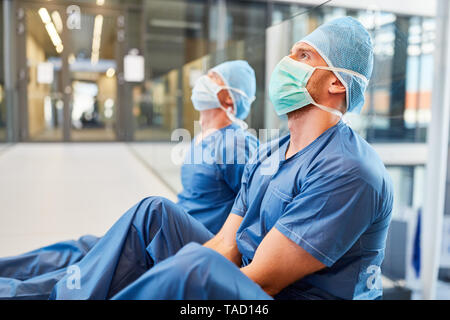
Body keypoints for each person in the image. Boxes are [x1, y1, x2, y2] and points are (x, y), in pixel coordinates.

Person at [46, 17, 393, 300]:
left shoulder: (348, 170)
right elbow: (227, 242)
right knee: (155, 213)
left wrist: (181, 275)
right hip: (253, 278)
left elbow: (263, 280)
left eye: (303, 56)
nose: (286, 64)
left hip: (282, 294)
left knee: (197, 269)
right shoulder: (270, 151)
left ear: (335, 83)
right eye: (290, 54)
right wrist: (164, 270)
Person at [0, 61, 259, 299]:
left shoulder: (236, 143)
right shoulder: (204, 136)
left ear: (227, 97)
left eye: (212, 78)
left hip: (198, 241)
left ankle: (15, 293)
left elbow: (254, 211)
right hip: (180, 227)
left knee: (100, 263)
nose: (202, 80)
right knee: (84, 247)